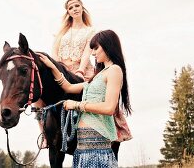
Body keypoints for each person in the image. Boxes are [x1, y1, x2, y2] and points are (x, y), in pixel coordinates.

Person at [38, 30, 132, 168]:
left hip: (97, 141)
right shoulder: (98, 76)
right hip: (83, 144)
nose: (93, 53)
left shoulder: (114, 70)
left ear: (108, 46)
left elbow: (109, 108)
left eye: (96, 48)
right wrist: (52, 66)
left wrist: (77, 105)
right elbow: (68, 87)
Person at [34, 0, 95, 149]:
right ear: (67, 12)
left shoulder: (90, 31)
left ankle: (92, 130)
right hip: (61, 71)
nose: (74, 9)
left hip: (81, 70)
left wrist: (80, 70)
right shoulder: (62, 33)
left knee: (93, 93)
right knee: (39, 95)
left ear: (82, 8)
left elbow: (87, 53)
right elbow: (54, 54)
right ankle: (44, 134)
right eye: (71, 7)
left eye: (77, 6)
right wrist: (54, 70)